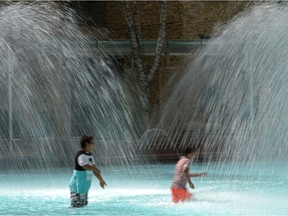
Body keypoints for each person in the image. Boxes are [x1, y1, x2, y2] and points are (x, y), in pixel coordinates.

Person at [69, 135, 107, 207]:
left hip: (84, 186)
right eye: (92, 143)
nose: (93, 144)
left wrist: (101, 180)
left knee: (82, 205)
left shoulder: (89, 155)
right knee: (76, 206)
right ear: (87, 144)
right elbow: (84, 166)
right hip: (77, 186)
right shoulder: (81, 155)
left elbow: (94, 168)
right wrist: (94, 168)